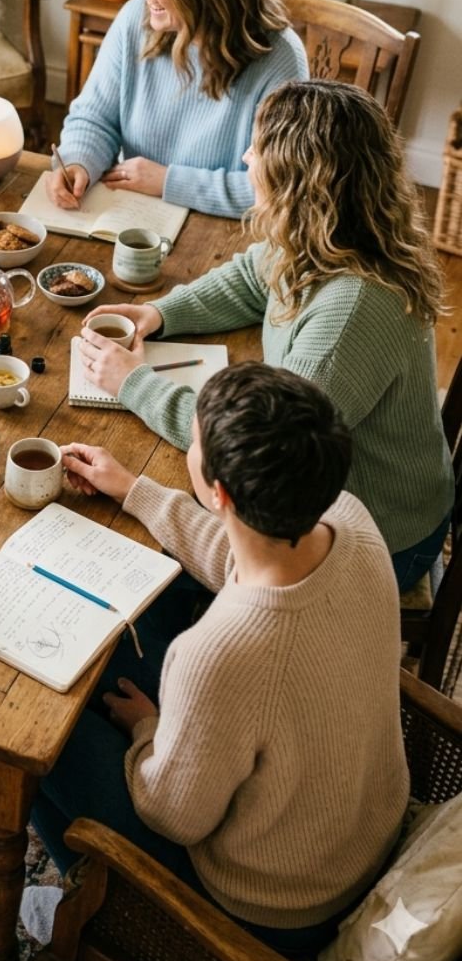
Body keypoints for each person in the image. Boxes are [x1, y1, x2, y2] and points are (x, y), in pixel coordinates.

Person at [27, 364, 408, 958]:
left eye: (194, 440)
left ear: (220, 491)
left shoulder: (219, 652)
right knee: (129, 642)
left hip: (274, 908)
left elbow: (176, 818)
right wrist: (135, 490)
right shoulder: (349, 521)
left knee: (36, 730)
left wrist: (149, 731)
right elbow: (241, 556)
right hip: (358, 840)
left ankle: (102, 911)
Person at [77, 79, 453, 590]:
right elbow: (253, 277)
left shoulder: (354, 311)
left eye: (259, 150)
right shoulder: (329, 232)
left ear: (299, 182)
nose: (246, 157)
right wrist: (160, 314)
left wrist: (132, 383)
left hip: (382, 537)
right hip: (335, 493)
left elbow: (256, 445)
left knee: (150, 573)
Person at [45, 0, 308, 219]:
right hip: (134, 216)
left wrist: (169, 181)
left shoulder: (281, 60)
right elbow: (94, 118)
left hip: (222, 233)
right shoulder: (135, 19)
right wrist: (78, 161)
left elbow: (278, 190)